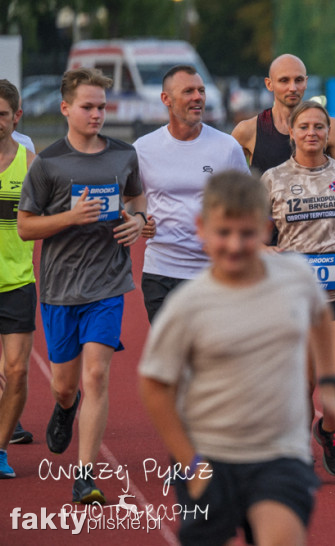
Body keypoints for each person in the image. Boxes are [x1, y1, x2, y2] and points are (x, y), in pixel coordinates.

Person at [139, 171, 335, 545]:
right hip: (210, 455)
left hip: (280, 452)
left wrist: (328, 382)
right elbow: (154, 384)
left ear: (266, 230)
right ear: (202, 228)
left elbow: (320, 315)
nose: (234, 245)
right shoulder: (188, 305)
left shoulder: (295, 277)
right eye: (223, 233)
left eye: (247, 234)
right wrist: (191, 463)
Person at [17, 68, 146, 503]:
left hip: (107, 285)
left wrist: (139, 222)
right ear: (66, 109)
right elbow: (25, 228)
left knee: (97, 376)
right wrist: (70, 217)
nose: (96, 115)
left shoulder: (124, 154)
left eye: (102, 107)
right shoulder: (48, 163)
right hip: (59, 290)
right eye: (88, 107)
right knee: (65, 385)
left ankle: (85, 475)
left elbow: (137, 197)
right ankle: (64, 408)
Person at [260, 101, 335, 476]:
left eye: (318, 127)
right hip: (295, 288)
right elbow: (254, 229)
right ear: (291, 131)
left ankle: (326, 431)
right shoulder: (273, 178)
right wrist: (264, 247)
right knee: (305, 381)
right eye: (304, 126)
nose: (311, 133)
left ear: (328, 132)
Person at [133, 65, 248, 322]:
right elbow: (130, 199)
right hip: (161, 272)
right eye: (188, 91)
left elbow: (247, 206)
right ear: (166, 99)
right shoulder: (143, 149)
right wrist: (138, 218)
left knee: (211, 357)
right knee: (172, 359)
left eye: (201, 91)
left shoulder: (227, 147)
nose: (198, 97)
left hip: (213, 273)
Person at [0, 80, 37, 478]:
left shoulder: (29, 164)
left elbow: (49, 217)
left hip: (17, 283)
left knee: (18, 372)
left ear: (16, 117)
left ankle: (0, 449)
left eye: (2, 114)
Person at [232, 53, 335, 172]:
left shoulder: (330, 128)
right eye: (284, 80)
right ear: (269, 84)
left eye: (298, 80)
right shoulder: (248, 130)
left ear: (306, 82)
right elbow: (226, 182)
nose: (293, 88)